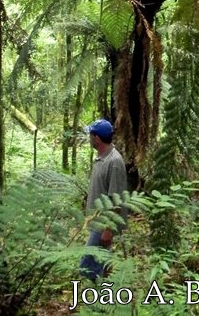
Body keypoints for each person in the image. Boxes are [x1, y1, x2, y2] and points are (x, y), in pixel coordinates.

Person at [79, 118, 128, 281]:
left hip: (104, 224)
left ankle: (91, 300)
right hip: (96, 221)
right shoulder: (101, 158)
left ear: (97, 138)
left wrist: (108, 229)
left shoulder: (114, 162)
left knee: (87, 266)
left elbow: (116, 199)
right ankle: (106, 299)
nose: (89, 138)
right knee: (103, 264)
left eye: (91, 135)